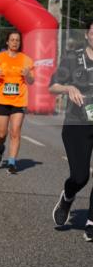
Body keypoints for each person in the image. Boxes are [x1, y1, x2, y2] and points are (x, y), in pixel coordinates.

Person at [49, 19, 93, 241]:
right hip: (77, 124)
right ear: (88, 34)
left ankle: (92, 221)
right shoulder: (73, 58)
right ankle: (67, 197)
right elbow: (52, 85)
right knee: (81, 176)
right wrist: (68, 87)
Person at [0, 31, 34, 174]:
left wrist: (28, 75)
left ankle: (12, 162)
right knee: (1, 134)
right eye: (12, 40)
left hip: (19, 100)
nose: (15, 42)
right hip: (1, 99)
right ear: (7, 42)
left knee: (15, 132)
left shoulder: (26, 60)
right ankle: (0, 148)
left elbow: (31, 81)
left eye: (17, 40)